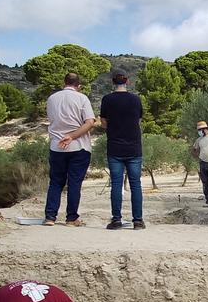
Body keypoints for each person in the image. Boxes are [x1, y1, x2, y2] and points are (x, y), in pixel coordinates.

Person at [43, 73, 95, 226]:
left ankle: (50, 217)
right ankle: (71, 218)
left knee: (55, 182)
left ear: (63, 82)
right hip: (78, 146)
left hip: (56, 146)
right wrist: (72, 136)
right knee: (74, 183)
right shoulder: (82, 98)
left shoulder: (52, 98)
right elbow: (90, 122)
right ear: (78, 85)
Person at [99, 71, 146, 230]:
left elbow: (104, 123)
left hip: (115, 147)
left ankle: (116, 219)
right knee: (135, 185)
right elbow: (138, 120)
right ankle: (138, 220)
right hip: (134, 147)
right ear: (128, 82)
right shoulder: (135, 99)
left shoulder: (107, 99)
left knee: (116, 185)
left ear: (113, 82)